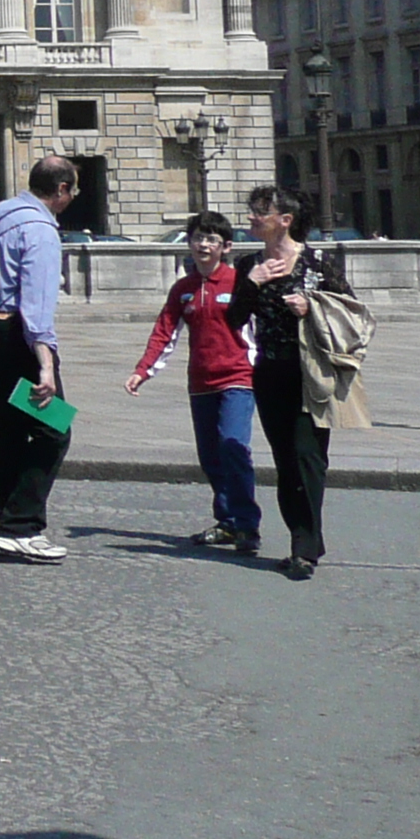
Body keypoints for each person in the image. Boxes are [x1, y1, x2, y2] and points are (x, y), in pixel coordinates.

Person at [125, 211, 258, 553]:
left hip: (238, 379)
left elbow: (260, 330)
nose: (203, 244)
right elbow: (164, 332)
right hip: (200, 382)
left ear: (226, 247)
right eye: (198, 237)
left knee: (233, 447)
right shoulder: (183, 289)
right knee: (211, 457)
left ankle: (246, 525)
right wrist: (143, 371)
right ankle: (226, 522)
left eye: (212, 239)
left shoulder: (239, 283)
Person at [0, 154, 81, 563]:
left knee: (9, 430)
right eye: (73, 190)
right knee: (55, 431)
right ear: (61, 190)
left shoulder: (1, 214)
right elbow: (36, 306)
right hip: (20, 336)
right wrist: (46, 365)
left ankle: (9, 524)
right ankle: (21, 525)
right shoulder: (40, 231)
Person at [233, 184, 340, 580]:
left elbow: (352, 310)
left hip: (311, 373)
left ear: (285, 220)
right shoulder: (249, 265)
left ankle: (305, 549)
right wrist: (253, 283)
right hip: (271, 372)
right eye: (252, 210)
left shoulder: (316, 264)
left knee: (309, 457)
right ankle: (304, 536)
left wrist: (312, 305)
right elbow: (233, 321)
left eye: (260, 211)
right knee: (286, 462)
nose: (251, 218)